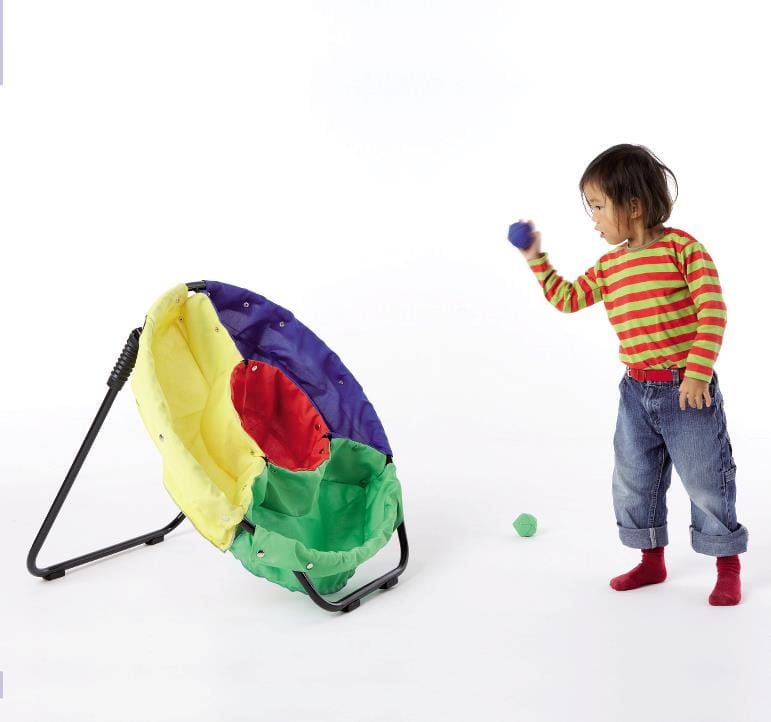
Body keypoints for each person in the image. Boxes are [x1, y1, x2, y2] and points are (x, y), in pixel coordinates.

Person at [512, 143, 746, 605]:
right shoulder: (609, 266)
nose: (594, 219)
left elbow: (713, 311)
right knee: (635, 478)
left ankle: (727, 564)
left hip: (686, 390)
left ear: (634, 206)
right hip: (635, 392)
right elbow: (567, 298)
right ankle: (651, 560)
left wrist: (697, 373)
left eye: (598, 207)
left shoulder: (683, 250)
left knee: (705, 477)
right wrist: (535, 257)